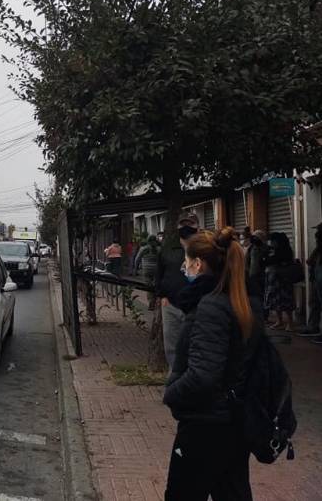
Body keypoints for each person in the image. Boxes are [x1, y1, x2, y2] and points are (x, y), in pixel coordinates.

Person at [163, 227, 262, 501]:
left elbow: (203, 376)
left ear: (199, 263)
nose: (185, 267)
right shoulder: (243, 301)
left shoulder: (211, 307)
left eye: (187, 260)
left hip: (205, 426)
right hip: (235, 422)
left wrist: (171, 393)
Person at [157, 212, 200, 370]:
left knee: (194, 347)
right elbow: (159, 273)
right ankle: (174, 380)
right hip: (171, 305)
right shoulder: (168, 248)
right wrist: (162, 295)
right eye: (183, 225)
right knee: (172, 348)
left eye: (190, 224)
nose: (186, 228)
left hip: (196, 307)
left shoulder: (205, 249)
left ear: (197, 227)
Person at [264, 232, 295, 331]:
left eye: (273, 240)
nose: (271, 242)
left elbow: (273, 261)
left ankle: (290, 323)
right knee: (275, 301)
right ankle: (279, 321)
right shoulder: (272, 250)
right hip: (273, 279)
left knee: (286, 301)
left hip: (283, 279)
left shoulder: (285, 251)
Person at [300, 223, 322, 338]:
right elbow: (310, 261)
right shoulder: (318, 249)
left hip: (319, 279)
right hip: (315, 279)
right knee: (314, 303)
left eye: (318, 233)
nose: (316, 236)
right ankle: (313, 326)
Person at [136, 235, 160, 309]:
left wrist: (135, 268)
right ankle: (156, 301)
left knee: (148, 286)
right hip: (156, 269)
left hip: (146, 270)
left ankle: (151, 302)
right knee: (156, 285)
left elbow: (137, 259)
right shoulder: (159, 249)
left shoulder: (143, 249)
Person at [245, 230, 268, 298]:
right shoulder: (250, 248)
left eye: (257, 238)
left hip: (263, 276)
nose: (255, 239)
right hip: (252, 277)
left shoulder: (265, 248)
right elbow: (246, 261)